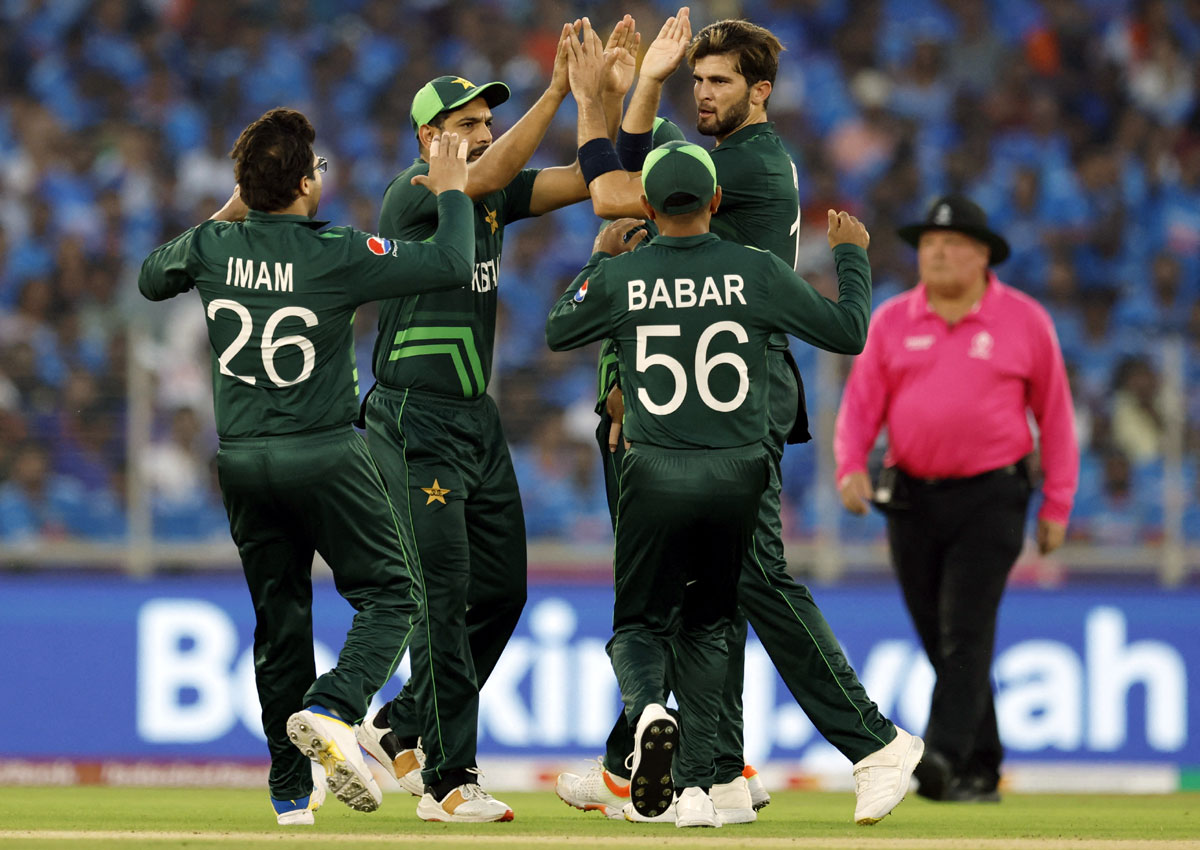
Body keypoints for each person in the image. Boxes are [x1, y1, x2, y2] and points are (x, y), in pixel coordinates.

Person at [556, 16, 922, 826]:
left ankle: (873, 742)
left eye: (718, 82)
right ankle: (714, 770)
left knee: (751, 580)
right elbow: (654, 174)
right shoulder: (728, 163)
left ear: (761, 91)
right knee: (709, 592)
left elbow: (618, 194)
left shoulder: (748, 167)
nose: (706, 95)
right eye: (698, 82)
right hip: (708, 403)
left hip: (729, 410)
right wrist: (643, 85)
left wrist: (603, 99)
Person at [138, 107, 475, 826]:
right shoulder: (337, 251)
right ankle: (334, 708)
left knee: (279, 620)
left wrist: (236, 206)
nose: (322, 178)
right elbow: (448, 264)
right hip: (323, 452)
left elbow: (148, 279)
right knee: (395, 595)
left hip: (240, 463)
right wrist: (451, 190)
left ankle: (291, 793)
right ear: (300, 184)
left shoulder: (211, 246)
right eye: (315, 171)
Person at [352, 18, 642, 823]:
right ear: (427, 138)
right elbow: (483, 180)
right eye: (468, 124)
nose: (482, 135)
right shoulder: (415, 192)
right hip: (414, 420)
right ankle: (448, 781)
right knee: (441, 597)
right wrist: (555, 89)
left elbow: (593, 182)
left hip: (473, 422)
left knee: (503, 592)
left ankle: (402, 724)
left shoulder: (491, 190)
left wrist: (608, 102)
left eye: (486, 123)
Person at [833, 194, 1079, 803]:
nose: (936, 252)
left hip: (992, 496)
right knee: (936, 634)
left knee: (964, 627)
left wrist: (1057, 505)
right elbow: (861, 405)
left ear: (982, 257)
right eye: (928, 244)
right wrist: (849, 467)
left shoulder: (1024, 321)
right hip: (911, 497)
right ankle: (982, 764)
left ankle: (941, 756)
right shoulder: (891, 319)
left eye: (952, 244)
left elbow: (1057, 416)